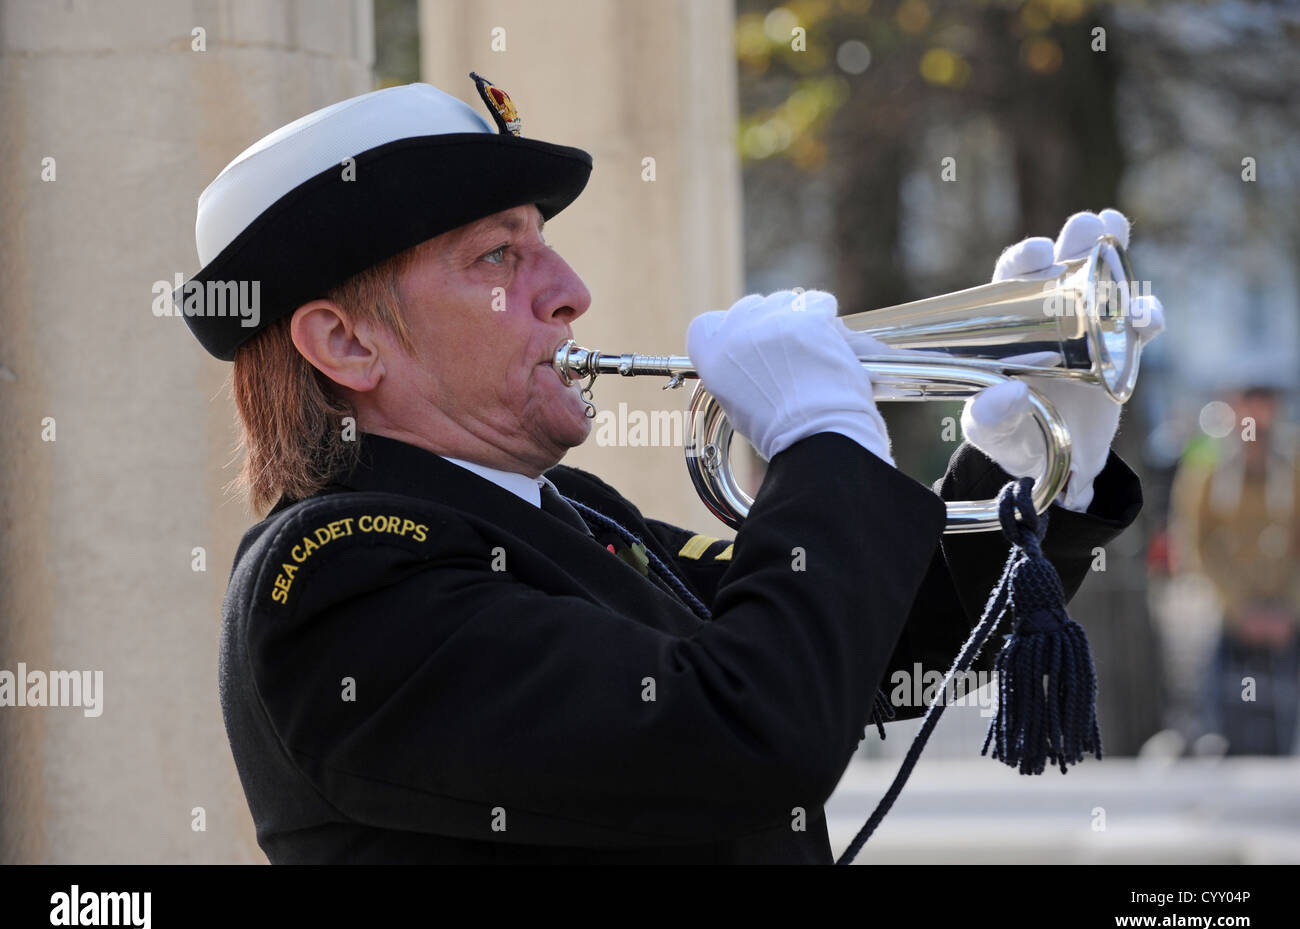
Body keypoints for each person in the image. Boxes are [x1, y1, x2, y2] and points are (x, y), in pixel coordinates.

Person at [181, 75, 1160, 863]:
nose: (569, 292)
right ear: (345, 343)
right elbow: (744, 732)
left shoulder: (563, 512)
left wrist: (1022, 475)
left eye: (544, 246)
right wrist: (822, 444)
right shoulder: (339, 582)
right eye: (495, 258)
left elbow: (863, 659)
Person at [1170, 381, 1300, 754]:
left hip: (1286, 613)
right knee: (1227, 712)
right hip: (1228, 613)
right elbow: (1196, 544)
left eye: (1265, 409)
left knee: (1283, 717)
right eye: (1249, 409)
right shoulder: (1209, 471)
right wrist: (1240, 609)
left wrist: (1288, 609)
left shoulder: (1291, 469)